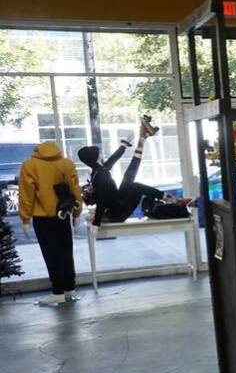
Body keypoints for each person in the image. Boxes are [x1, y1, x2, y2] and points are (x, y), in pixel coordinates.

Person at [17, 141, 84, 305]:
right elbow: (75, 190)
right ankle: (70, 289)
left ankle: (58, 292)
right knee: (66, 252)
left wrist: (25, 218)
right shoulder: (67, 164)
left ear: (37, 150)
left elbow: (27, 194)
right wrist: (77, 212)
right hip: (63, 214)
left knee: (51, 254)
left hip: (43, 217)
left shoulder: (30, 165)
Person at [78, 116, 163, 225]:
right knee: (134, 185)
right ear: (94, 157)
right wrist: (96, 223)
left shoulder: (99, 170)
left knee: (128, 177)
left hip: (116, 206)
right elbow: (101, 199)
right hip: (116, 214)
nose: (101, 153)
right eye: (98, 152)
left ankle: (143, 137)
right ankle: (169, 198)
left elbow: (113, 159)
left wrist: (124, 144)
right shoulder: (101, 174)